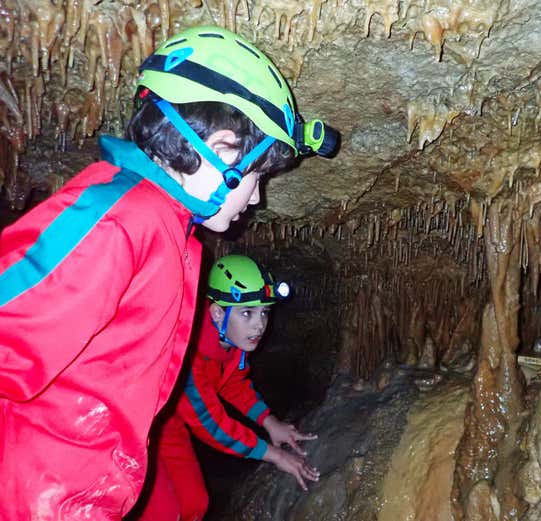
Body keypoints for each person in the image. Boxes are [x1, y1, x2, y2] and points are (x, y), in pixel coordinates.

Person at [0, 25, 336, 520]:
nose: (257, 198)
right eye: (258, 176)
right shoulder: (120, 217)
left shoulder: (170, 235)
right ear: (221, 148)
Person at [137, 254, 319, 521]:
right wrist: (273, 455)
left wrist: (269, 422)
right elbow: (211, 424)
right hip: (134, 427)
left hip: (167, 425)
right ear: (217, 313)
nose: (259, 324)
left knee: (194, 503)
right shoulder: (186, 354)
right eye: (247, 313)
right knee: (161, 513)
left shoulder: (233, 342)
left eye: (264, 312)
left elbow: (233, 384)